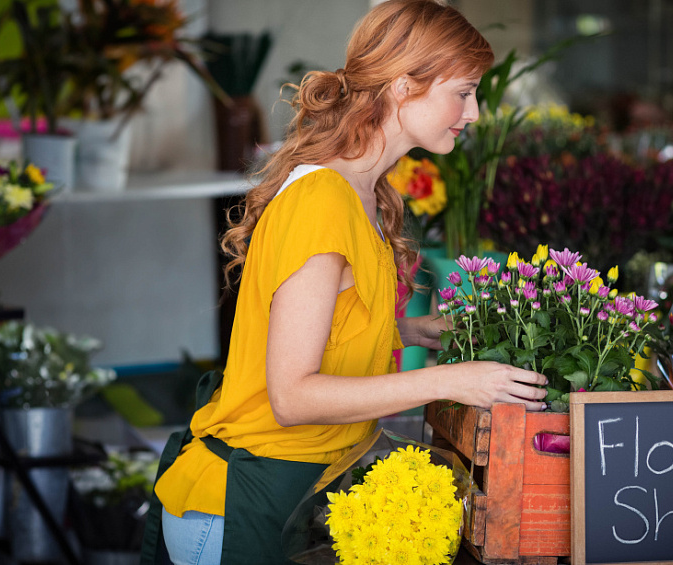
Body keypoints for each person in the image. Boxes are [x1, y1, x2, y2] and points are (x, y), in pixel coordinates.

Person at [151, 1, 548, 563]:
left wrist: (409, 330)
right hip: (244, 500)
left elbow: (326, 325)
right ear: (403, 86)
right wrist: (453, 381)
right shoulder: (323, 202)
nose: (475, 111)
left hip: (291, 487)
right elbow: (292, 396)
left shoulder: (363, 193)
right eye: (463, 92)